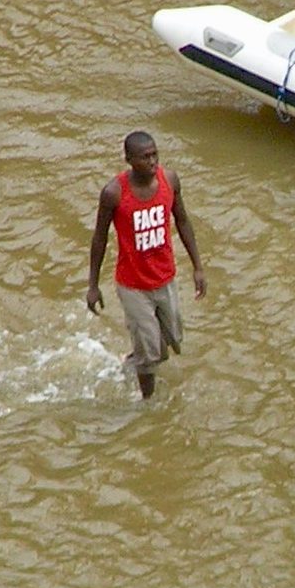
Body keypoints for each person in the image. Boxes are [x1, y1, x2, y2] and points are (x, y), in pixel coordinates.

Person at [85, 132, 206, 399]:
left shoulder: (170, 180)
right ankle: (148, 402)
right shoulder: (114, 193)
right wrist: (93, 285)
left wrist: (198, 266)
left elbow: (183, 221)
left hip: (165, 278)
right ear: (129, 160)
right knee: (151, 356)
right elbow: (99, 238)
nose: (152, 162)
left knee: (170, 341)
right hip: (133, 286)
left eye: (155, 155)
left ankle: (133, 359)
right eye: (145, 157)